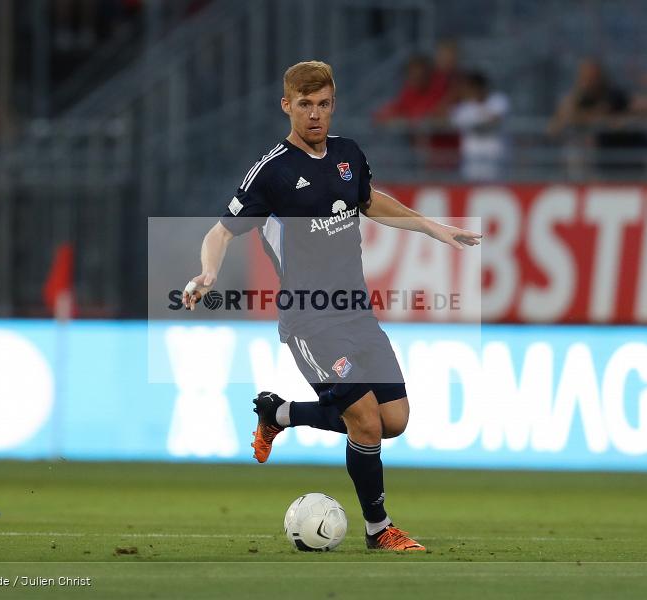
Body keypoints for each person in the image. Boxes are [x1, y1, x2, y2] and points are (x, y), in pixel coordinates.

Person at [181, 61, 480, 551]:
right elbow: (220, 230)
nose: (315, 115)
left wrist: (429, 225)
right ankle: (379, 530)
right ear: (287, 106)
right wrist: (209, 272)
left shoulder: (348, 155)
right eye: (304, 105)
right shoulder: (271, 171)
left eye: (322, 105)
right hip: (309, 318)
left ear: (332, 104)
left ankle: (278, 415)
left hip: (357, 313)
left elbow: (369, 201)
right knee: (363, 420)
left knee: (394, 421)